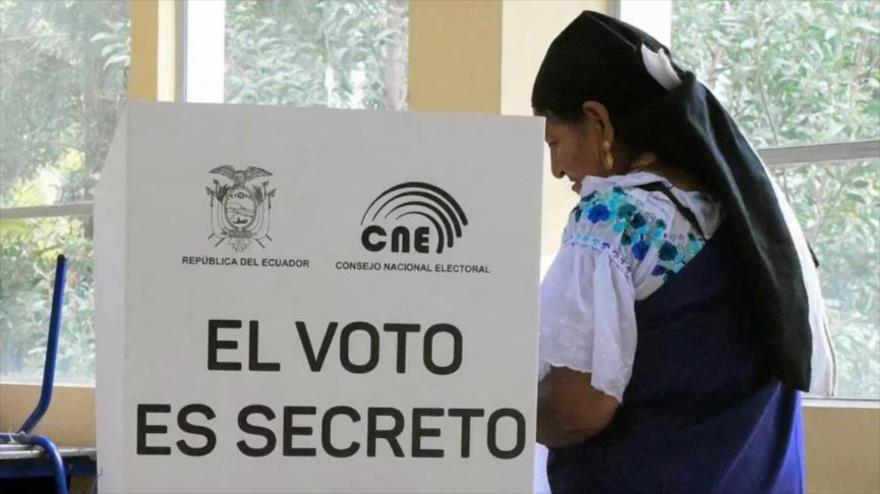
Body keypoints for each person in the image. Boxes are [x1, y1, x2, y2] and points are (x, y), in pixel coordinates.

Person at [533, 11, 835, 493]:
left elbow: (578, 410)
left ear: (597, 120)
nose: (555, 168)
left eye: (554, 140)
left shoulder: (614, 216)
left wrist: (497, 411)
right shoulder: (746, 208)